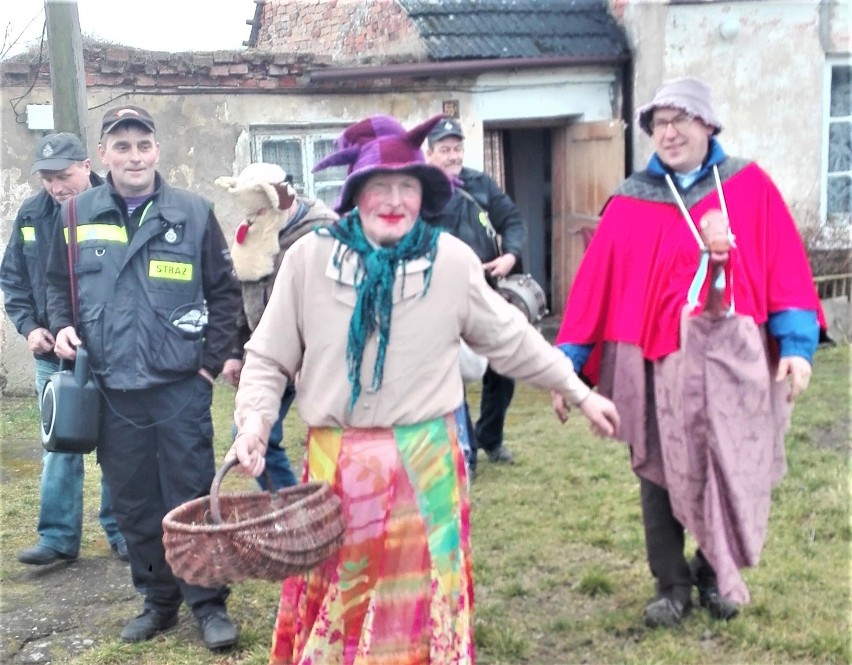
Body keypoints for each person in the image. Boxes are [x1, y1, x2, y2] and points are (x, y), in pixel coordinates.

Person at [227, 114, 620, 664]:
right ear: (355, 195)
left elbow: (512, 340)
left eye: (406, 187)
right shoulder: (309, 260)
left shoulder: (452, 261)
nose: (393, 200)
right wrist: (254, 422)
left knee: (420, 599)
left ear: (422, 195)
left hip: (426, 463)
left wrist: (579, 391)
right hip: (337, 465)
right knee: (344, 595)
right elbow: (268, 358)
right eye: (379, 187)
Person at [553, 77, 825, 628]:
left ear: (708, 124)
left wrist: (797, 346)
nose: (669, 133)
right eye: (659, 124)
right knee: (658, 469)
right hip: (654, 363)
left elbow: (785, 269)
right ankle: (670, 583)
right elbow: (596, 285)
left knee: (731, 462)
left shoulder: (749, 187)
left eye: (681, 120)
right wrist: (567, 366)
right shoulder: (632, 200)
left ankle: (713, 569)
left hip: (734, 361)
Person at [44, 106, 242, 650]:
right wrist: (60, 325)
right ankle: (158, 601)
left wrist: (207, 365)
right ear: (103, 155)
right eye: (122, 145)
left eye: (143, 144)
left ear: (157, 150)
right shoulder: (75, 214)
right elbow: (58, 288)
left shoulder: (194, 212)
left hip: (180, 388)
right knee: (133, 503)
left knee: (192, 496)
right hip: (111, 390)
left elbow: (225, 293)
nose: (134, 156)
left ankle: (207, 603)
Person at [0, 132, 128, 566]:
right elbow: (14, 279)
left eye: (65, 175)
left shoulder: (113, 207)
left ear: (87, 166)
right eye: (49, 179)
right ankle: (57, 539)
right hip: (53, 355)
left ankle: (123, 530)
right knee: (59, 443)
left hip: (110, 351)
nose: (57, 187)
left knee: (117, 442)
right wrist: (29, 327)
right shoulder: (33, 214)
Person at [216, 162, 338, 489]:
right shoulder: (256, 231)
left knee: (325, 440)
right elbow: (245, 292)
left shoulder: (322, 236)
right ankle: (289, 506)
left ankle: (293, 506)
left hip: (311, 354)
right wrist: (235, 352)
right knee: (252, 436)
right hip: (269, 352)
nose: (252, 216)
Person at [423, 116, 527, 470]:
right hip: (439, 296)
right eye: (444, 149)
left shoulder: (480, 183)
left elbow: (511, 219)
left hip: (486, 290)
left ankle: (490, 438)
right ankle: (464, 450)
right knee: (452, 375)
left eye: (457, 148)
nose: (452, 156)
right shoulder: (420, 191)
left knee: (503, 367)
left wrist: (510, 254)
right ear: (429, 153)